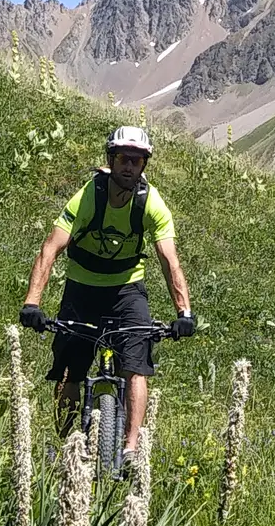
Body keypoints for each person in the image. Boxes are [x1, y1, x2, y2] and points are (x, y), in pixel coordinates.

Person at [19, 125, 196, 455]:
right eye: (122, 159)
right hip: (81, 288)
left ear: (144, 165)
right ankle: (66, 444)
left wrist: (183, 313)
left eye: (137, 160)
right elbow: (50, 249)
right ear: (110, 161)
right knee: (71, 371)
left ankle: (130, 451)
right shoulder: (89, 196)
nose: (129, 166)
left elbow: (169, 260)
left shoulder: (151, 204)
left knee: (137, 366)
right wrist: (32, 302)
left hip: (127, 290)